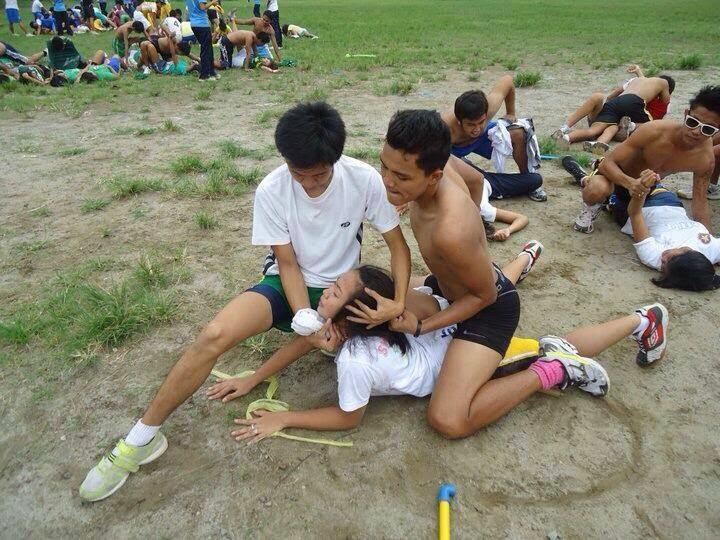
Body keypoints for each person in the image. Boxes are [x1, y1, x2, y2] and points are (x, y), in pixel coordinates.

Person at [78, 102, 413, 502]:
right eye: (297, 174)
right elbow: (286, 262)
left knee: (401, 316)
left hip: (340, 290)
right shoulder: (272, 189)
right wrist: (305, 316)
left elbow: (398, 246)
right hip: (287, 281)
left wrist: (397, 303)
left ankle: (320, 345)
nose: (307, 184)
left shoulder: (363, 180)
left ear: (335, 161)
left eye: (318, 175)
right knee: (214, 334)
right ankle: (139, 440)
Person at [215, 264, 668, 442]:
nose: (323, 294)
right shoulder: (361, 323)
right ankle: (524, 266)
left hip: (461, 353)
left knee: (544, 348)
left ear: (358, 311)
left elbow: (348, 416)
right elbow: (302, 342)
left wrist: (285, 417)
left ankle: (632, 325)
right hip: (449, 331)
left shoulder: (355, 360)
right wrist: (254, 377)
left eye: (332, 291)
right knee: (529, 335)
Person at [573, 85, 720, 234]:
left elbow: (700, 202)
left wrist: (709, 241)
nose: (696, 132)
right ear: (686, 114)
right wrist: (630, 183)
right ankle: (591, 202)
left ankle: (604, 195)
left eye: (708, 129)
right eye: (692, 122)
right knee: (596, 190)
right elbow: (607, 164)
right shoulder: (654, 131)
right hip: (614, 176)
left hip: (644, 189)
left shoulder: (705, 159)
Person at [442, 77, 547, 202]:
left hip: (482, 139)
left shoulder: (489, 107)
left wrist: (511, 112)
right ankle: (462, 163)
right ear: (459, 121)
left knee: (518, 132)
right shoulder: (445, 128)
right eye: (471, 124)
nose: (476, 128)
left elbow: (507, 81)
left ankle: (527, 177)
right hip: (452, 149)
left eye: (481, 122)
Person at [622, 182, 720, 291]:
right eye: (670, 258)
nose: (663, 258)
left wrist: (642, 190)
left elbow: (635, 213)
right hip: (669, 201)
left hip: (637, 206)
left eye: (663, 267)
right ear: (688, 251)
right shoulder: (712, 249)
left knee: (622, 173)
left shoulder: (652, 257)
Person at [553, 70, 675, 155]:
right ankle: (627, 128)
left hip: (615, 103)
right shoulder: (664, 84)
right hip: (635, 102)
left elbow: (611, 96)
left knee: (596, 130)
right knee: (652, 125)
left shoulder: (638, 80)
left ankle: (566, 137)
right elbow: (665, 101)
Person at [186, 0, 216, 80]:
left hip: (194, 24)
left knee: (208, 48)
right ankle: (204, 75)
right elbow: (203, 7)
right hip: (202, 24)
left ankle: (211, 72)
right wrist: (212, 2)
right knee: (206, 49)